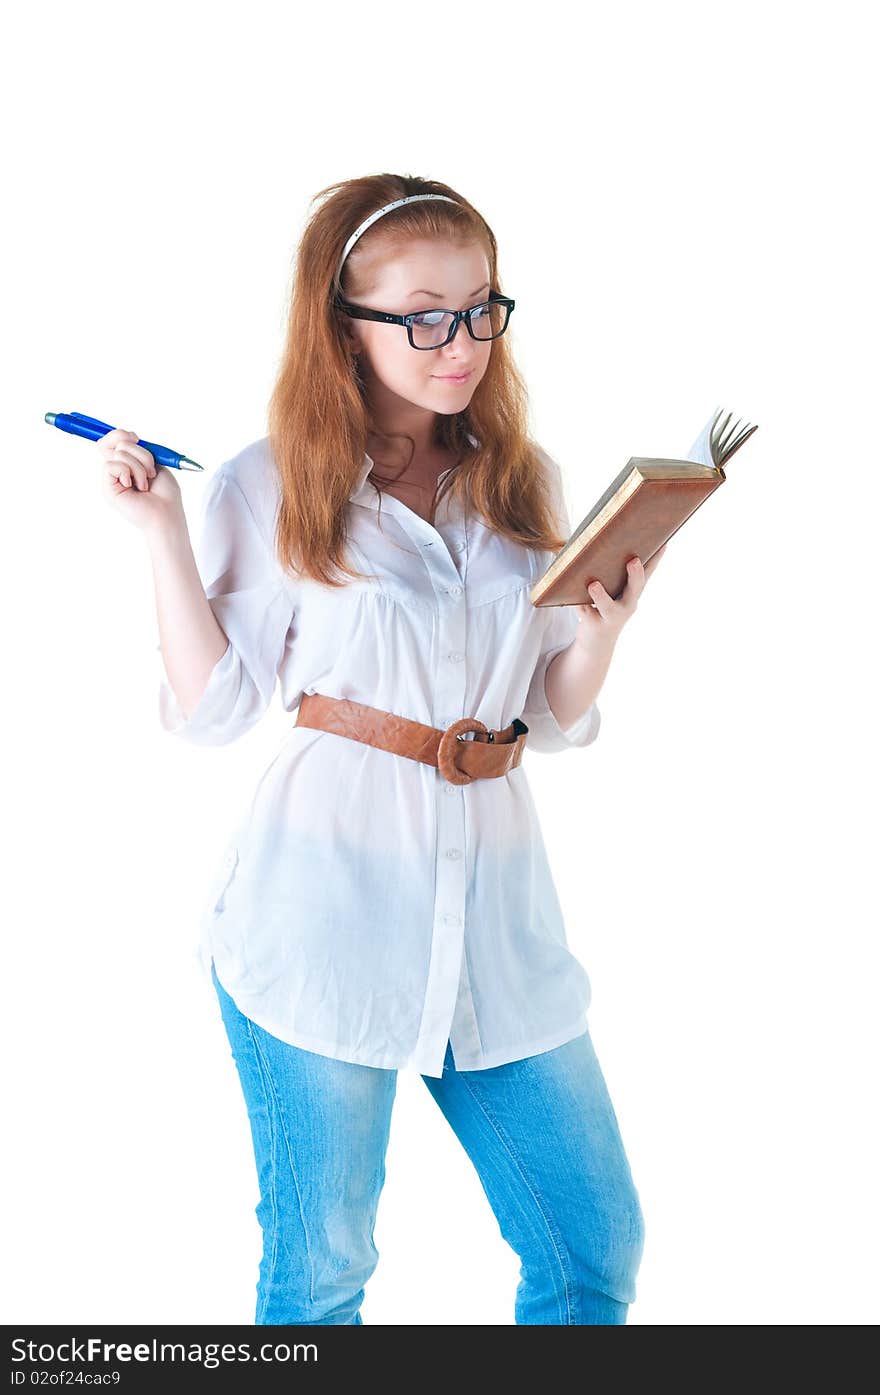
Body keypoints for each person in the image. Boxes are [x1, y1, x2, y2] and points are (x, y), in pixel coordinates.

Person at [98, 173, 666, 1326]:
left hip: (497, 932)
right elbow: (216, 711)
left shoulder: (521, 478)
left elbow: (546, 722)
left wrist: (604, 636)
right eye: (419, 314)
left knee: (591, 1247)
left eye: (478, 308)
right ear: (342, 329)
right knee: (322, 1275)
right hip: (321, 919)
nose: (457, 343)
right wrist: (159, 534)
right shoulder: (272, 484)